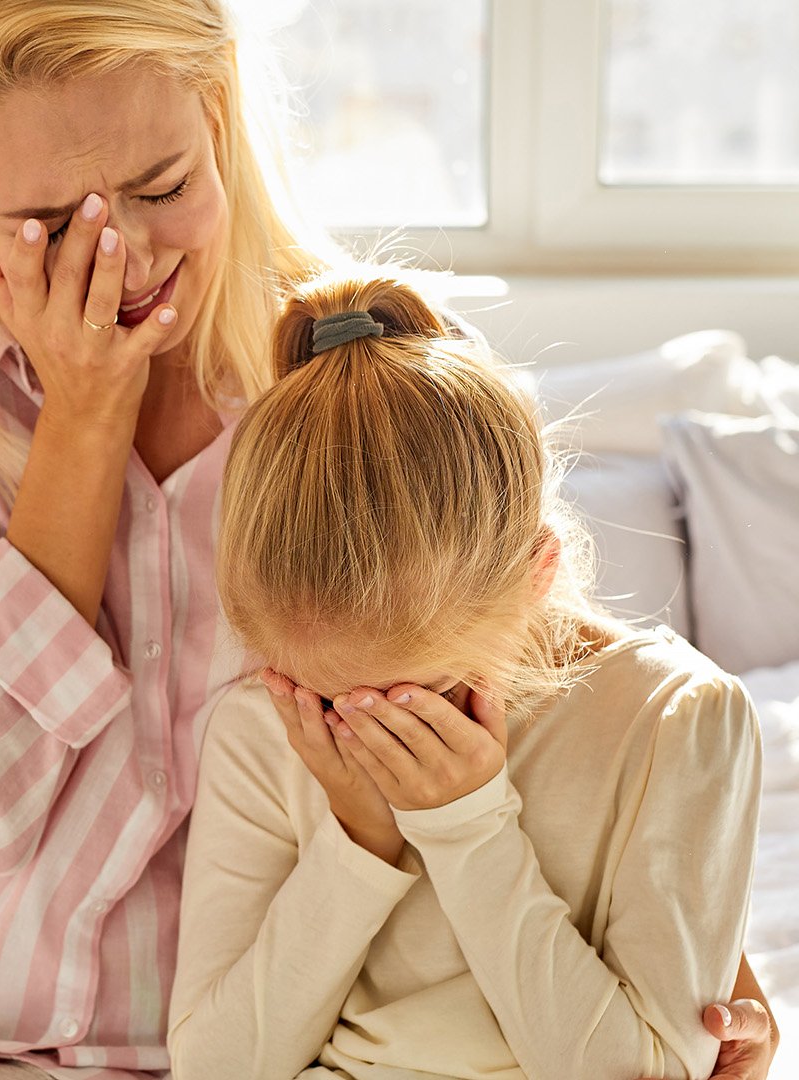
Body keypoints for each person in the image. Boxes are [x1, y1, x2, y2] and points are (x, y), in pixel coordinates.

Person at [0, 0, 777, 1077]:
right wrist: (83, 414)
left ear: (221, 119)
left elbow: (541, 668)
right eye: (39, 220)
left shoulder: (360, 364)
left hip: (261, 1028)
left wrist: (700, 953)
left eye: (161, 187)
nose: (115, 255)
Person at [168, 268, 762, 1079]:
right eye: (328, 695)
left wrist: (466, 824)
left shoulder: (677, 721)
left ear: (535, 576)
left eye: (426, 694)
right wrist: (357, 841)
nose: (370, 729)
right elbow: (216, 1067)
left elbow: (642, 1071)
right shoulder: (264, 723)